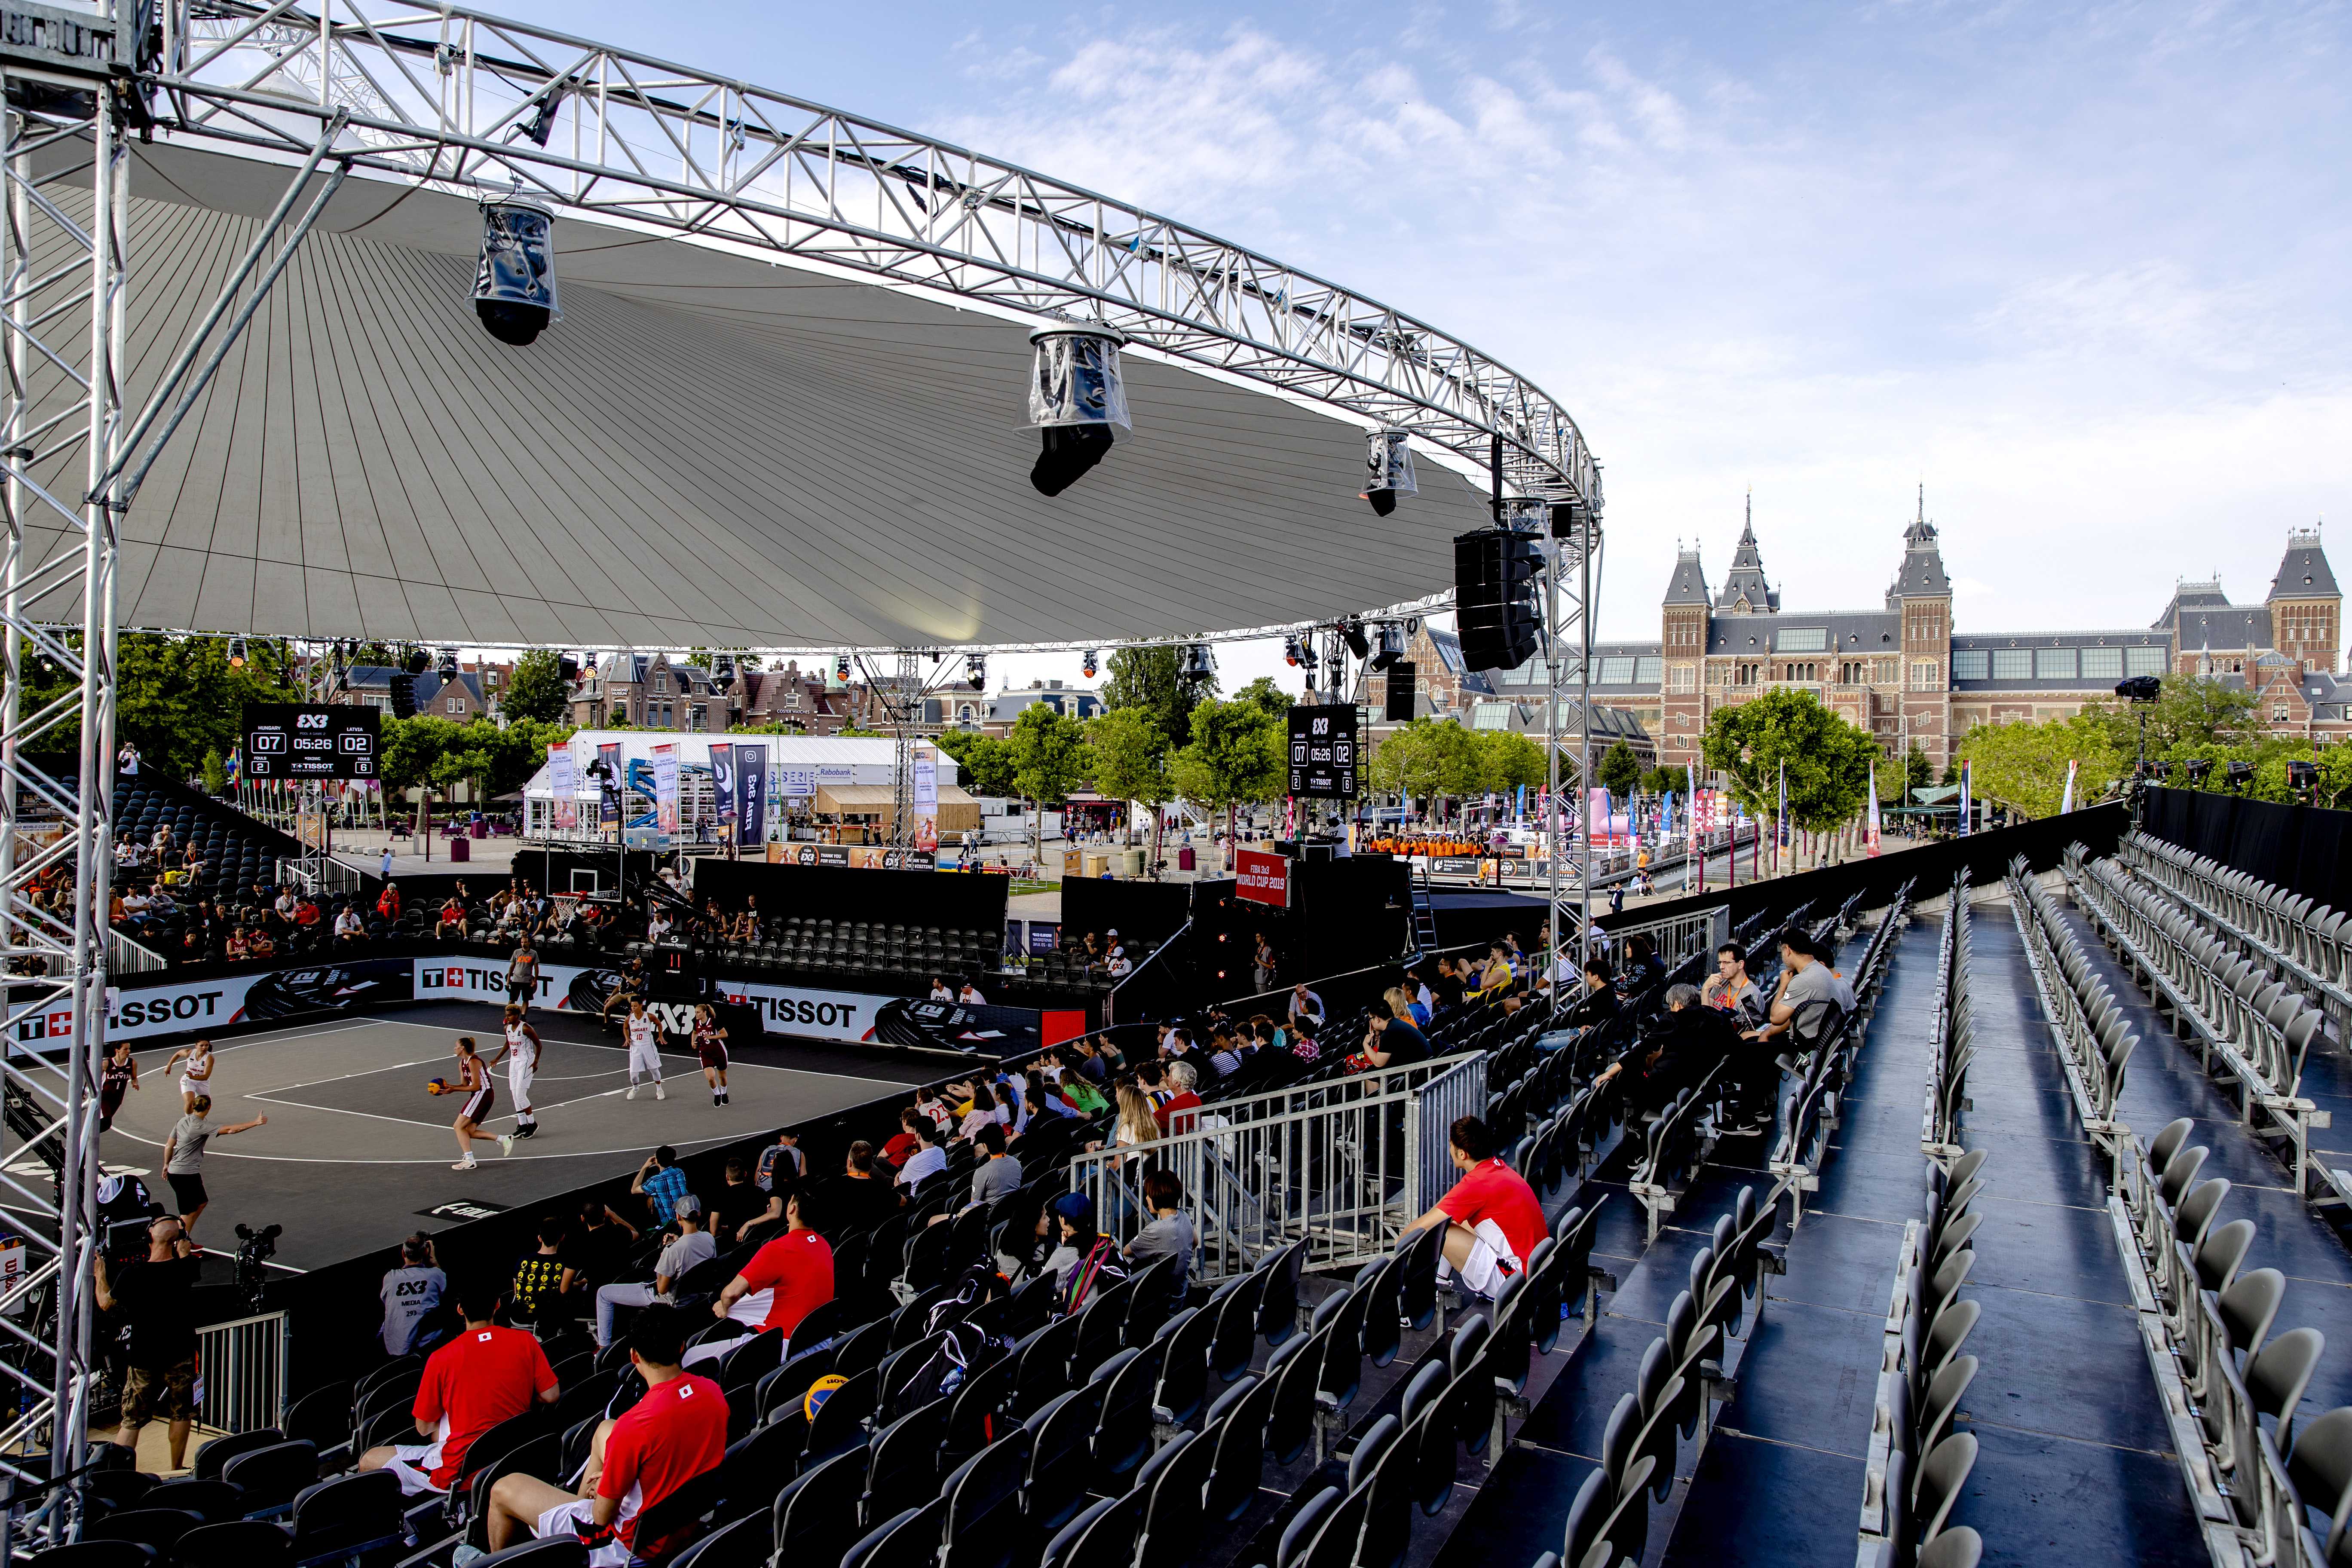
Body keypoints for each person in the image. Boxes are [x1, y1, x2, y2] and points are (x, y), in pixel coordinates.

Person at [484, 1305, 726, 1565]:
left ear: (634, 1356)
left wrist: (603, 1492)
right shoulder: (713, 1392)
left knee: (502, 1488)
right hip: (682, 1524)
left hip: (630, 1546)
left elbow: (602, 1517)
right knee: (604, 1429)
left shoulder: (634, 1425)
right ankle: (574, 1510)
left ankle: (499, 1562)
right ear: (681, 1347)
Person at [364, 1276, 559, 1495]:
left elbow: (424, 1428)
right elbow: (550, 1395)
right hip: (513, 1460)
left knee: (369, 1460)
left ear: (460, 1310)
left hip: (459, 1474)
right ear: (497, 1305)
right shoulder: (525, 1341)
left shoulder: (441, 1359)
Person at [1399, 1116, 1547, 1299]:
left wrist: (1395, 1259)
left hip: (1516, 1282)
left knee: (1438, 1230)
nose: (1450, 1149)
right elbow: (1448, 1206)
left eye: (1452, 1145)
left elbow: (1418, 1228)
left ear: (1462, 1154)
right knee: (1456, 1220)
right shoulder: (1496, 1168)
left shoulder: (1477, 1184)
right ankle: (1440, 1279)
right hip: (1536, 1271)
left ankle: (1409, 1301)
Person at [94, 1216, 199, 1468]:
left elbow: (106, 1303)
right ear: (177, 1242)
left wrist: (100, 1273)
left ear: (149, 1238)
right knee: (182, 1412)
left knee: (132, 1418)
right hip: (180, 1351)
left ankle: (118, 1472)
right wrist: (183, 1251)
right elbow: (188, 1265)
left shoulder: (133, 1274)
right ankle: (176, 1468)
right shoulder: (186, 1268)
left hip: (144, 1355)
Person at [708, 1188, 833, 1351]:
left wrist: (724, 1308)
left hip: (785, 1344)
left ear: (792, 1209)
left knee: (692, 1354)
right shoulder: (824, 1244)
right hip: (820, 1340)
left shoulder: (777, 1249)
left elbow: (730, 1293)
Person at [1594, 983, 1743, 1118]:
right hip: (1704, 1086)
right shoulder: (1716, 1017)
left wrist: (1609, 1072)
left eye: (1671, 1006)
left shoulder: (1673, 1020)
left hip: (1672, 1087)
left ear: (1677, 1005)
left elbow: (1642, 1049)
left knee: (1628, 1075)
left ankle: (1632, 1120)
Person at [594, 1208, 715, 1351]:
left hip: (668, 1300)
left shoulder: (672, 1251)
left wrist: (666, 1253)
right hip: (696, 1297)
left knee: (603, 1293)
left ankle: (603, 1350)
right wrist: (674, 1245)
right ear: (699, 1214)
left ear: (678, 1217)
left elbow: (661, 1289)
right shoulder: (709, 1238)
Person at [161, 1095, 264, 1239]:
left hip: (179, 1172)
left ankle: (183, 1236)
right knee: (188, 1212)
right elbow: (230, 1130)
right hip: (185, 1175)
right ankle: (180, 1242)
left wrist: (167, 1164)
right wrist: (255, 1123)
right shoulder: (201, 1126)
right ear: (209, 1107)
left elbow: (169, 1145)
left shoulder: (182, 1122)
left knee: (202, 1202)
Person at [1123, 1168, 1195, 1305]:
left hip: (1164, 1302)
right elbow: (1195, 1242)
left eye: (1149, 1195)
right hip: (1181, 1293)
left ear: (1157, 1197)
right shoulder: (1184, 1216)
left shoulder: (1156, 1230)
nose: (1146, 1198)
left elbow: (1127, 1251)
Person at [380, 1234, 447, 1357]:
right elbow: (444, 1287)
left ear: (403, 1254)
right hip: (425, 1348)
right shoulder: (435, 1275)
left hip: (393, 1349)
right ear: (426, 1252)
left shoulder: (390, 1277)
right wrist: (433, 1260)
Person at [442, 1037, 502, 1171]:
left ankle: (470, 1160)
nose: (454, 1048)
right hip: (479, 1095)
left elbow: (476, 1086)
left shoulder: (474, 1062)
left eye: (456, 1046)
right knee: (469, 1131)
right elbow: (464, 1085)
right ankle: (503, 1139)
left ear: (462, 1048)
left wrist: (454, 1089)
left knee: (458, 1126)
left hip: (483, 1094)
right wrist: (448, 1087)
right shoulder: (462, 1063)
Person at [490, 1005, 542, 1151]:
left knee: (520, 1094)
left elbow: (539, 1044)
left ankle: (532, 1124)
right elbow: (508, 1044)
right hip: (514, 1062)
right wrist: (497, 1059)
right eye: (506, 1015)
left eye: (510, 1015)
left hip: (526, 1062)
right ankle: (522, 1125)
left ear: (517, 1015)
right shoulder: (507, 1028)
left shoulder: (526, 1029)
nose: (508, 1017)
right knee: (514, 1094)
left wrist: (536, 1061)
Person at [511, 1218, 575, 1323]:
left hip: (518, 1315)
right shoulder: (565, 1262)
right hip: (547, 1317)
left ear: (540, 1238)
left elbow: (517, 1290)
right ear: (562, 1238)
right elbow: (564, 1290)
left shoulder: (523, 1260)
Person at [827, 1142, 900, 1231]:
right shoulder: (881, 1189)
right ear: (871, 1165)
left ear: (849, 1163)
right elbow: (904, 1201)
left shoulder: (831, 1189)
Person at [1700, 943, 1764, 1027]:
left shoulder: (1753, 994)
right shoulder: (1720, 981)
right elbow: (1706, 1014)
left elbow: (1749, 1030)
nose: (1722, 967)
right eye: (1720, 962)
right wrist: (1705, 989)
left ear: (1740, 964)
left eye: (1727, 963)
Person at [632, 1147, 694, 1229]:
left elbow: (634, 1190)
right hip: (688, 1221)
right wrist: (653, 1196)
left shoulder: (655, 1181)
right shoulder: (679, 1173)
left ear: (658, 1161)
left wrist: (645, 1167)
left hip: (672, 1227)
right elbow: (668, 1186)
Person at [1360, 999, 1429, 1069]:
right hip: (1422, 1066)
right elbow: (1384, 1054)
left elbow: (1379, 1063)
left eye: (1370, 1018)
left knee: (1370, 1073)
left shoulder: (1389, 1033)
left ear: (1377, 1019)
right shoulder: (1395, 1024)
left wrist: (1365, 1044)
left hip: (1418, 1071)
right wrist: (1378, 1037)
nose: (1370, 1021)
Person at [622, 998, 666, 1101]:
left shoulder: (649, 1016)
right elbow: (625, 1028)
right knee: (633, 1076)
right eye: (632, 1006)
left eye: (635, 1006)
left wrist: (661, 1036)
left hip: (648, 1046)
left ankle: (659, 1090)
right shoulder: (629, 1018)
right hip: (635, 1048)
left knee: (654, 1070)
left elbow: (659, 1024)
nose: (633, 1008)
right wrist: (627, 1038)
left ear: (641, 1005)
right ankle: (636, 1088)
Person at [691, 1003, 730, 1107]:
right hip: (705, 1053)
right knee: (710, 1077)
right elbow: (694, 1033)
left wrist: (712, 1037)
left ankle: (724, 1093)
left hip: (719, 1052)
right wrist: (693, 1042)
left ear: (704, 1013)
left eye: (698, 1012)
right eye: (695, 1012)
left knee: (722, 1077)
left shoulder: (714, 1022)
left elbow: (725, 1034)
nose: (696, 1014)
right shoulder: (696, 1023)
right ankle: (717, 1095)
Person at [896, 1117, 948, 1192]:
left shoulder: (913, 1162)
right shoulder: (941, 1152)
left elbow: (899, 1185)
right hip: (937, 1195)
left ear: (918, 1136)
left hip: (914, 1200)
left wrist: (897, 1176)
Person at [98, 1038, 140, 1133]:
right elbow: (94, 1079)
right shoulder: (107, 1064)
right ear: (117, 1050)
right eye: (126, 1049)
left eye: (129, 1049)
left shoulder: (132, 1063)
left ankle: (83, 1138)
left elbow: (134, 1078)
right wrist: (86, 1091)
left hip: (118, 1098)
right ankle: (82, 1139)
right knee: (106, 1122)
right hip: (104, 1096)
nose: (129, 1051)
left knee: (102, 1123)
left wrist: (135, 1083)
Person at [163, 1038, 214, 1114]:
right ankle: (189, 1120)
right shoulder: (189, 1053)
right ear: (196, 1046)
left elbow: (206, 1077)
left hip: (202, 1082)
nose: (204, 1048)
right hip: (188, 1080)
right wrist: (169, 1066)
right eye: (202, 1046)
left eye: (207, 1045)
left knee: (206, 1104)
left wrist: (193, 1077)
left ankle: (199, 1118)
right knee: (190, 1102)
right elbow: (178, 1053)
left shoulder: (210, 1058)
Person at [506, 936, 542, 1016]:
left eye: (525, 942)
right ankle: (508, 1016)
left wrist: (535, 980)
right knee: (512, 999)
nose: (523, 944)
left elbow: (536, 968)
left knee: (526, 1000)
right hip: (516, 980)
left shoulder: (534, 953)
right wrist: (509, 979)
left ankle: (523, 1017)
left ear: (529, 943)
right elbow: (512, 966)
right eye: (522, 942)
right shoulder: (517, 952)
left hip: (527, 981)